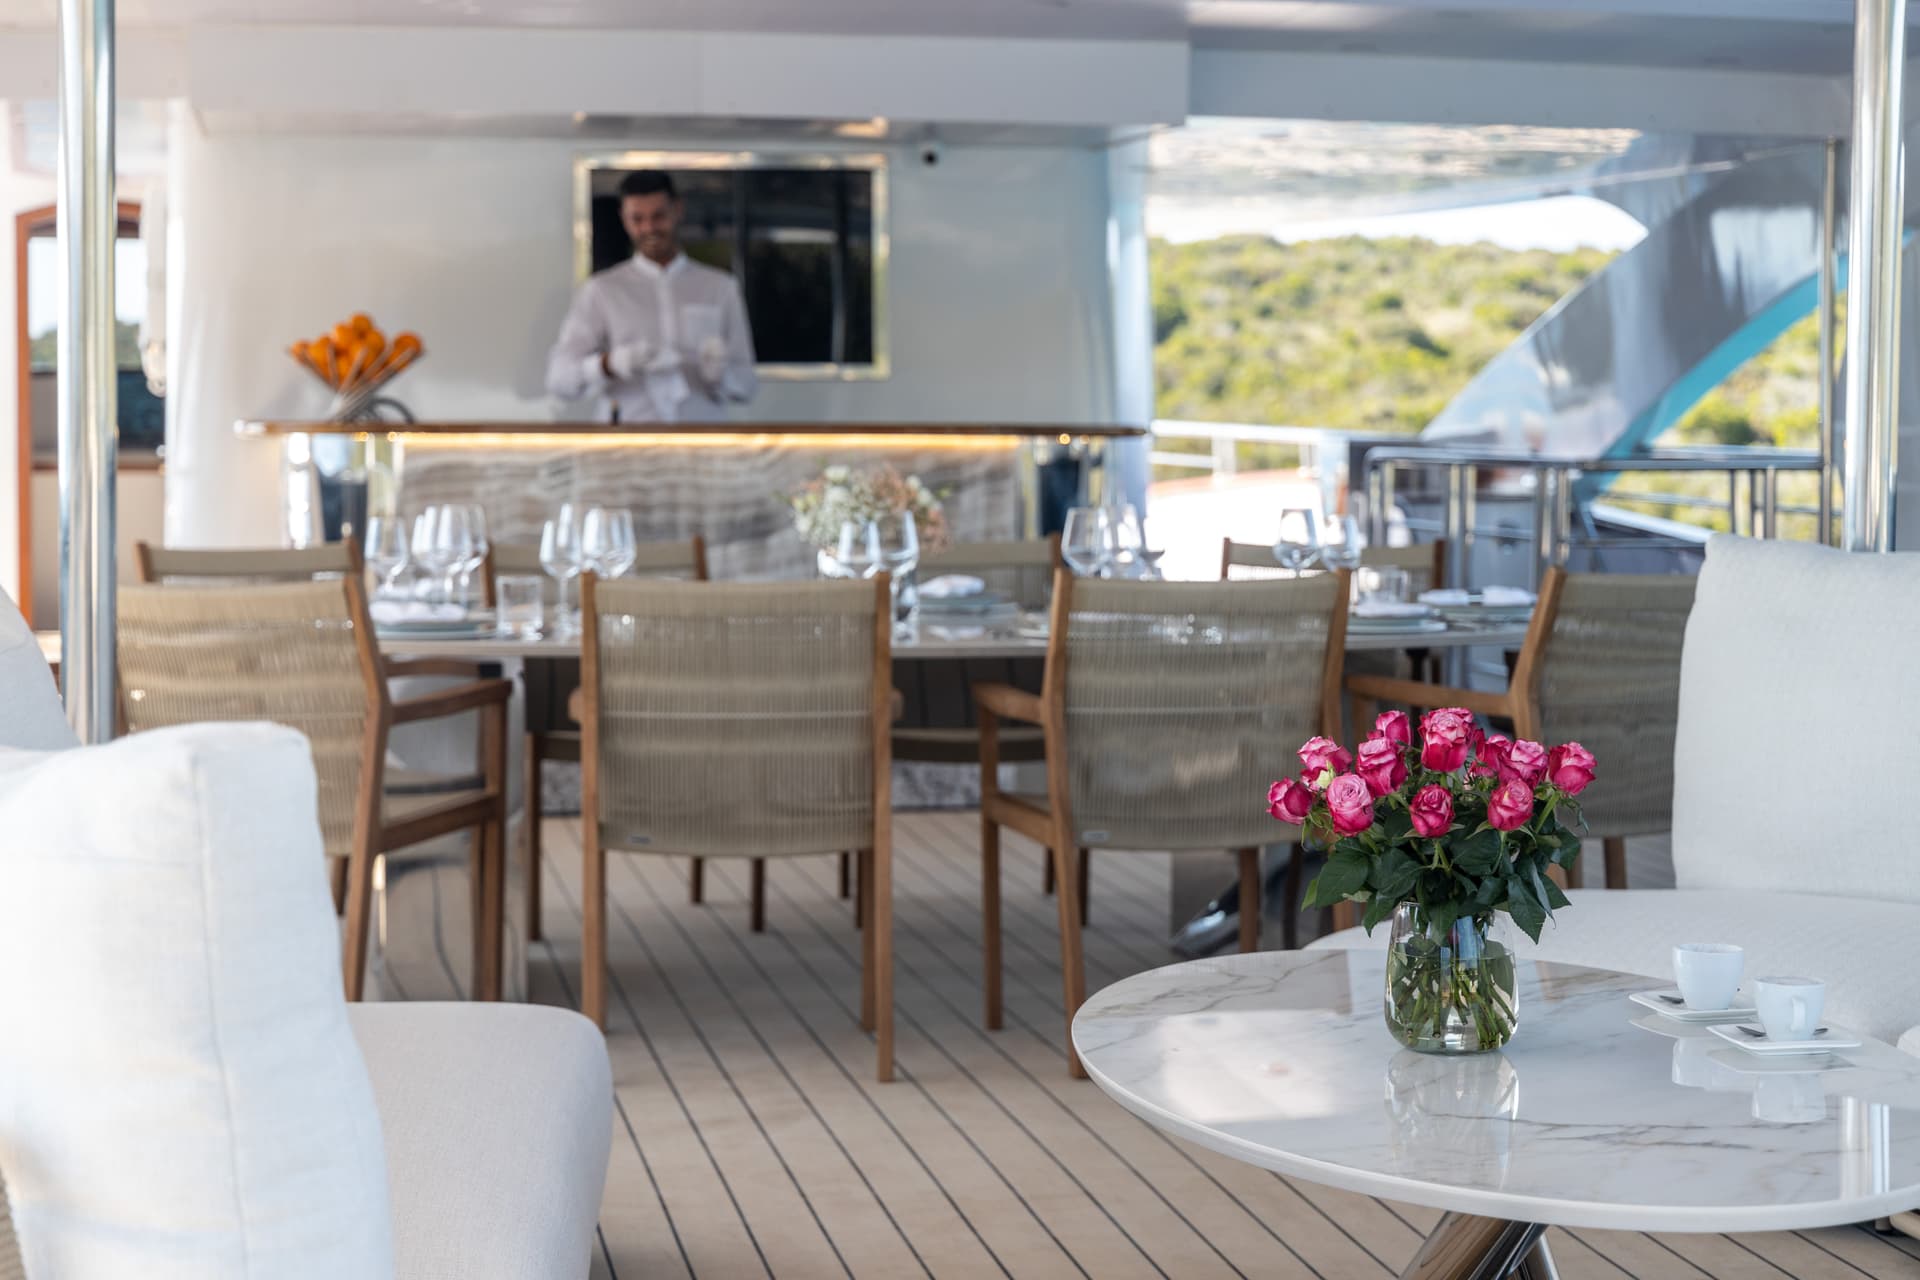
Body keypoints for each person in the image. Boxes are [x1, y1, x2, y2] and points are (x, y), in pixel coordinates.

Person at [546, 170, 758, 422]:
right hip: (626, 438)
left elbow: (747, 386)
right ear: (623, 219)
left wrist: (720, 375)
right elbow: (559, 380)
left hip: (702, 437)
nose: (649, 228)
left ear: (677, 210)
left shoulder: (720, 287)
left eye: (659, 216)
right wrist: (609, 364)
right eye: (637, 219)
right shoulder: (601, 290)